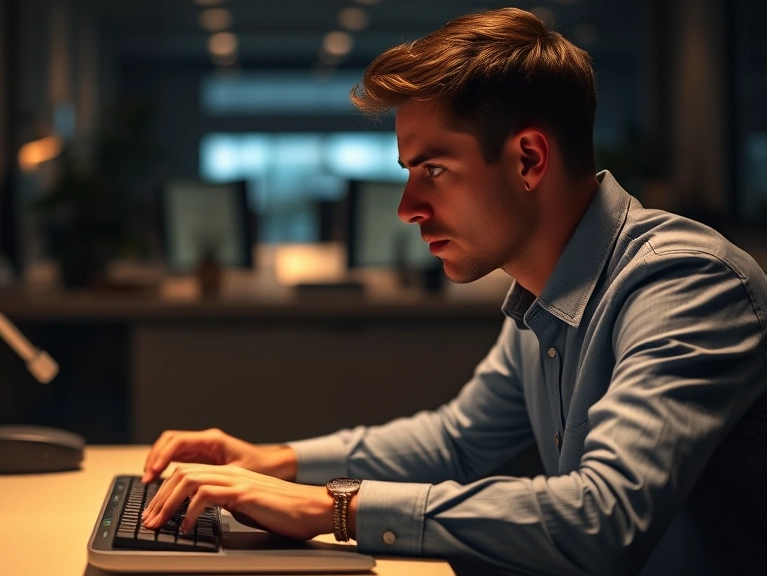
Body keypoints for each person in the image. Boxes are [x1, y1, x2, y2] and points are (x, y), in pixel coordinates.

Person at [140, 7, 767, 575]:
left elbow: (602, 517)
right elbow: (457, 442)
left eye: (434, 170)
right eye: (409, 174)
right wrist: (270, 461)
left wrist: (334, 509)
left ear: (528, 160)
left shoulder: (686, 283)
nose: (408, 208)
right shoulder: (545, 289)